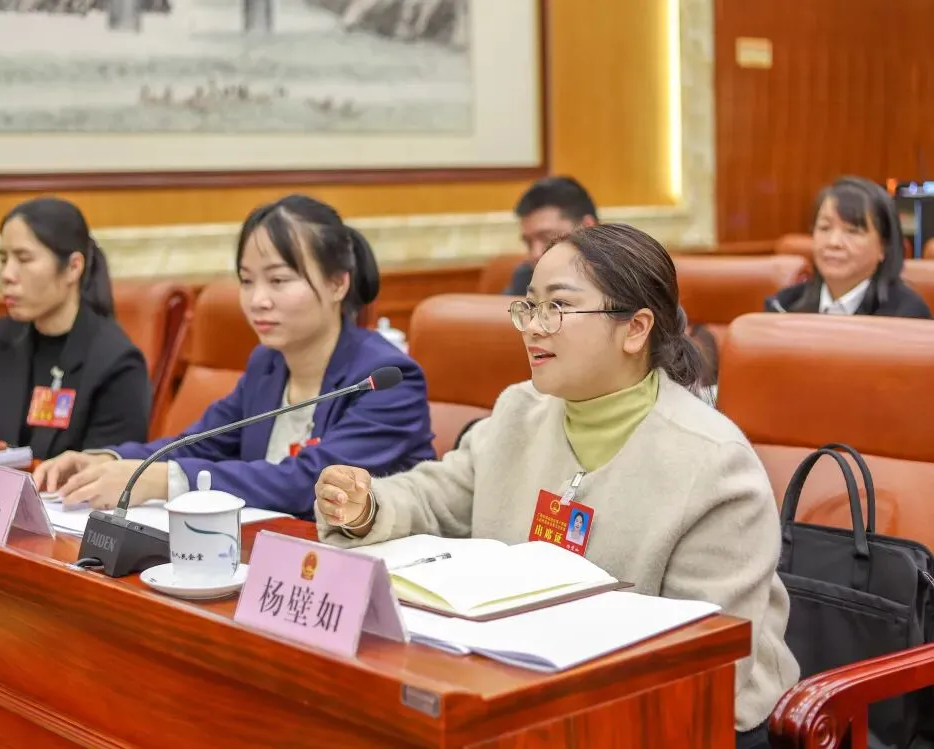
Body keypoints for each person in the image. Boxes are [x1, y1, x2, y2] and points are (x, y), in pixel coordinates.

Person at [314, 223, 799, 747]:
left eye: (557, 307)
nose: (532, 327)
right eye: (528, 306)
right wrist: (366, 506)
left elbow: (704, 657)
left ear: (635, 329)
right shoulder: (520, 410)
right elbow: (437, 496)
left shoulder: (715, 464)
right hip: (525, 690)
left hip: (686, 721)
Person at [34, 194, 435, 518]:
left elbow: (312, 483)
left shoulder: (385, 379)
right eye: (247, 281)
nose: (257, 300)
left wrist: (164, 481)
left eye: (278, 280)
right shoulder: (268, 364)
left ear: (337, 284)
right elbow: (200, 442)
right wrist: (107, 459)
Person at [0, 197, 150, 461]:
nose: (7, 274)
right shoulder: (7, 337)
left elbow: (107, 471)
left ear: (73, 268)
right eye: (3, 259)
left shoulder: (117, 363)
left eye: (24, 259)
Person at [765, 176, 931, 318]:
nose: (834, 242)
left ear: (883, 247)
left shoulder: (907, 314)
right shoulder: (784, 305)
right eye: (824, 228)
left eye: (852, 231)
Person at [504, 176, 598, 296]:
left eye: (548, 238)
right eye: (528, 242)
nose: (535, 254)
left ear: (587, 229)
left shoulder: (618, 279)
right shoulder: (526, 276)